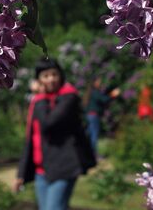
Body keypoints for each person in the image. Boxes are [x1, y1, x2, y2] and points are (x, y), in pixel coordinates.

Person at [13, 58, 96, 210]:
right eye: (45, 76)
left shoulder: (68, 97)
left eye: (54, 74)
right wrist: (21, 173)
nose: (51, 79)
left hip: (63, 166)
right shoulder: (39, 102)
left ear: (61, 76)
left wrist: (40, 97)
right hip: (41, 170)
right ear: (38, 80)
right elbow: (32, 138)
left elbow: (48, 124)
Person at [82, 77, 120, 157]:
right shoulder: (95, 92)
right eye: (99, 81)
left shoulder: (91, 92)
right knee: (94, 135)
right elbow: (104, 99)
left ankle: (88, 153)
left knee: (89, 134)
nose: (100, 83)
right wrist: (113, 95)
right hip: (94, 116)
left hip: (90, 116)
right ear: (94, 83)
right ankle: (93, 154)